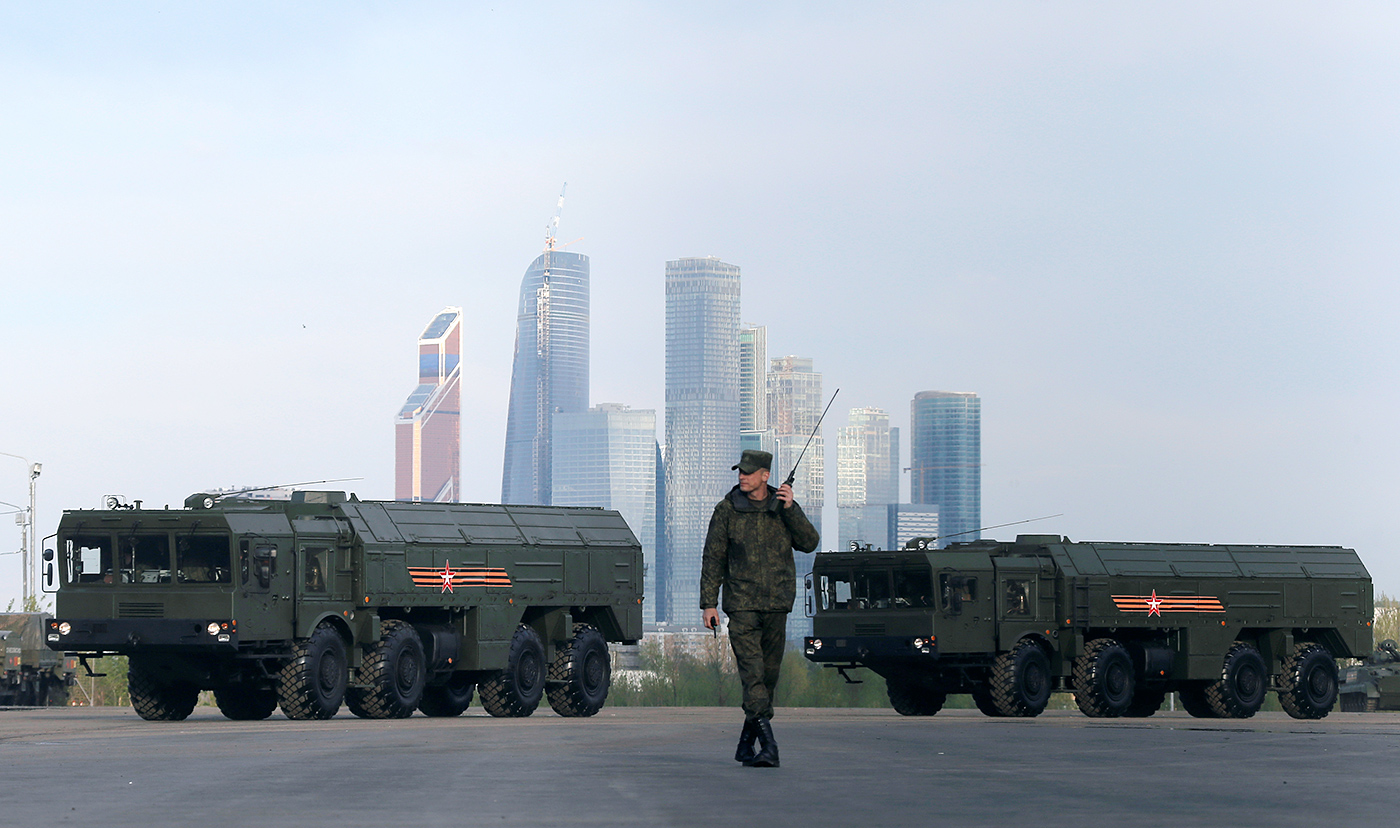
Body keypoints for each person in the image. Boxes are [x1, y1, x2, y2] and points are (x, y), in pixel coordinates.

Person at [701, 449, 820, 768]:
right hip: (741, 605)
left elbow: (809, 542)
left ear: (765, 476)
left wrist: (792, 508)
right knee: (753, 674)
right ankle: (769, 746)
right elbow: (713, 557)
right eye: (740, 471)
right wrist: (708, 603)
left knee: (767, 677)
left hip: (777, 604)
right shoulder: (726, 510)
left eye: (749, 472)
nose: (742, 476)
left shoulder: (782, 507)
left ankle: (744, 745)